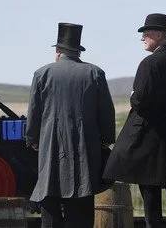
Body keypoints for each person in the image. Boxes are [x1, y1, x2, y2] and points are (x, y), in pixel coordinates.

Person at [104, 13, 166, 227]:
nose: (142, 38)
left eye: (146, 34)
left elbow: (139, 100)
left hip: (150, 145)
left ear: (159, 35)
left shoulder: (149, 64)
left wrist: (132, 97)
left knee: (152, 209)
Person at [26, 22, 116, 228]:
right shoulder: (95, 73)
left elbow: (34, 113)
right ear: (77, 51)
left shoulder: (42, 74)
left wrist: (33, 140)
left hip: (51, 149)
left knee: (49, 200)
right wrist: (106, 141)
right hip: (84, 149)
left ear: (58, 51)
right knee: (82, 202)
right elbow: (106, 113)